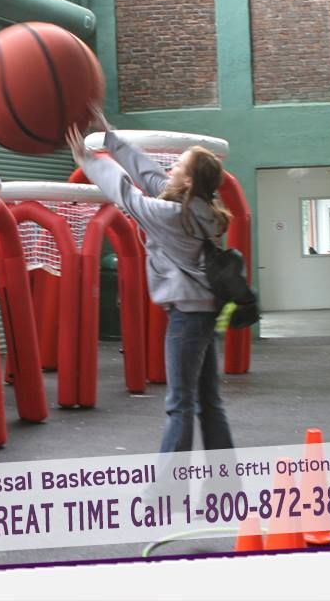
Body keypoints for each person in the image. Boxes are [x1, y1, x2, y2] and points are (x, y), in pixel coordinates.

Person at [65, 111, 234, 453]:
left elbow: (127, 193)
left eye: (179, 167)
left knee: (180, 405)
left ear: (187, 182)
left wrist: (88, 160)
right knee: (208, 404)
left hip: (187, 317)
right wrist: (109, 136)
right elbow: (148, 173)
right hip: (203, 314)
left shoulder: (171, 215)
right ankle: (224, 487)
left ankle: (168, 494)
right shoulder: (199, 207)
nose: (170, 169)